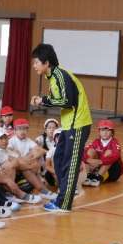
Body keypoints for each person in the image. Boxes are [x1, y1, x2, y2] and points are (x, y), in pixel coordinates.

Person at [30, 43, 93, 212]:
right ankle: (62, 196)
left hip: (78, 125)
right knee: (58, 159)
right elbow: (59, 98)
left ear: (46, 63)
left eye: (36, 62)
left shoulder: (60, 75)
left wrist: (43, 100)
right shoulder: (52, 77)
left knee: (70, 164)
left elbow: (67, 101)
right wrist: (43, 99)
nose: (34, 65)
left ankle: (64, 204)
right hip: (69, 125)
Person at [7, 119, 54, 199]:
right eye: (20, 129)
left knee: (35, 154)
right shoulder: (12, 141)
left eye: (25, 129)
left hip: (26, 166)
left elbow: (40, 150)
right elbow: (9, 153)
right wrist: (26, 158)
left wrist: (31, 156)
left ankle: (42, 188)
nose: (22, 131)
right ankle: (42, 190)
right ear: (14, 130)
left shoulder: (28, 140)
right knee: (26, 167)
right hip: (17, 168)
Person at [83, 119, 123, 187]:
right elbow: (83, 153)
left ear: (112, 132)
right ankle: (88, 176)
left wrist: (100, 162)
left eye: (108, 130)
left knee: (109, 153)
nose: (105, 133)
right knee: (90, 151)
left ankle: (98, 178)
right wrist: (88, 160)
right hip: (98, 167)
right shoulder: (96, 142)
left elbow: (115, 156)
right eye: (102, 130)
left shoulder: (114, 143)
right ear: (99, 132)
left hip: (113, 171)